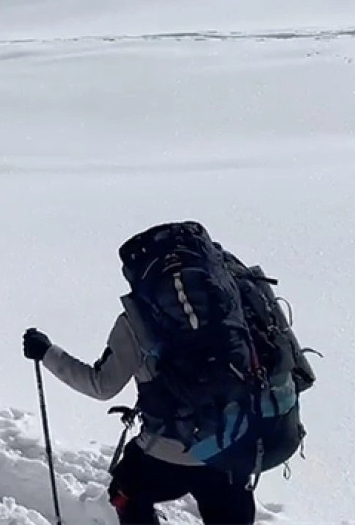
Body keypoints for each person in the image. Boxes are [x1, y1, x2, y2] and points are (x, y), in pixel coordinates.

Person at [22, 221, 313, 525]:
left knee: (125, 491)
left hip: (171, 451)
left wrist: (46, 352)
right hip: (237, 442)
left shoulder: (137, 321)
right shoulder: (238, 302)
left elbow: (100, 385)